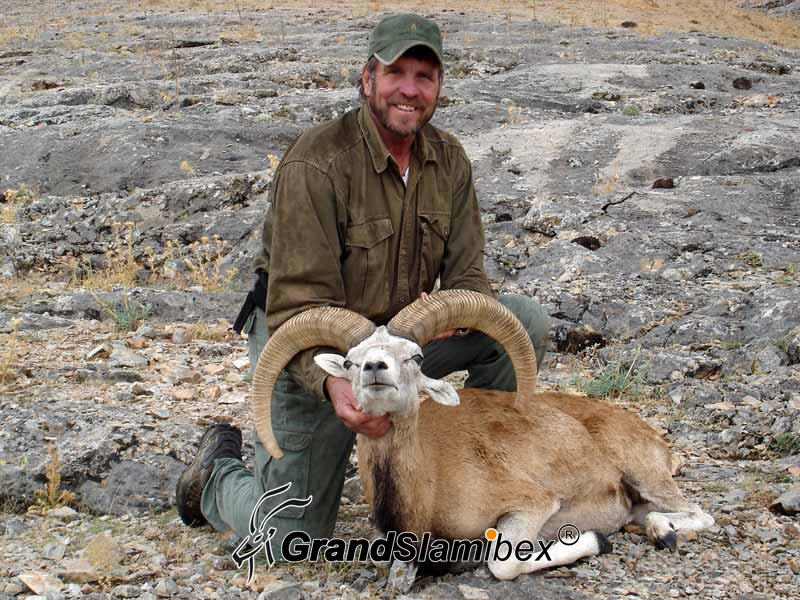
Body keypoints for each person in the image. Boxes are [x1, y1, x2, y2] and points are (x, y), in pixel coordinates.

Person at [175, 13, 550, 560]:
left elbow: (469, 276)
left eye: (424, 76)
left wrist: (458, 311)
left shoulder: (448, 161)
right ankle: (214, 476)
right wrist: (333, 386)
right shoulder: (317, 163)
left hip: (402, 339)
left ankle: (469, 474)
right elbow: (298, 305)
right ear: (367, 78)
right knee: (285, 540)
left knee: (521, 323)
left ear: (439, 88)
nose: (409, 89)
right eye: (395, 72)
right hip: (313, 342)